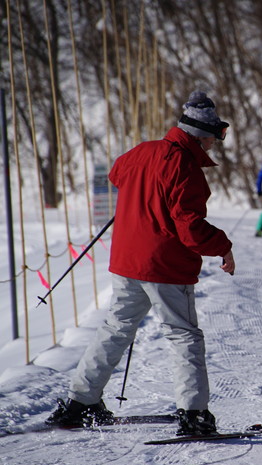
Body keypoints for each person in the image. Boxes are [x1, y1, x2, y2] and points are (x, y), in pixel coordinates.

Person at [46, 90, 236, 436]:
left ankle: (80, 401)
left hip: (126, 263)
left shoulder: (142, 151)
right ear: (202, 134)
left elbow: (117, 174)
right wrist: (223, 246)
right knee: (183, 335)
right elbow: (190, 228)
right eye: (214, 136)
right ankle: (194, 415)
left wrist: (143, 188)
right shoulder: (185, 166)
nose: (214, 144)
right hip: (164, 266)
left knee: (115, 330)